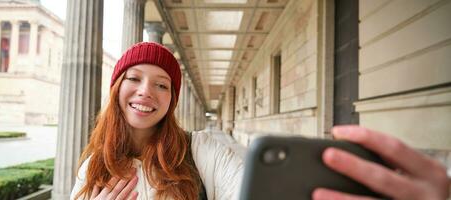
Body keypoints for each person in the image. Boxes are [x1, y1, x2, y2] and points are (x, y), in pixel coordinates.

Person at [70, 42, 449, 200]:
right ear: (116, 88)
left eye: (162, 84)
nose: (145, 92)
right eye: (134, 79)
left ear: (172, 100)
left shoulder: (200, 150)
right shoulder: (91, 168)